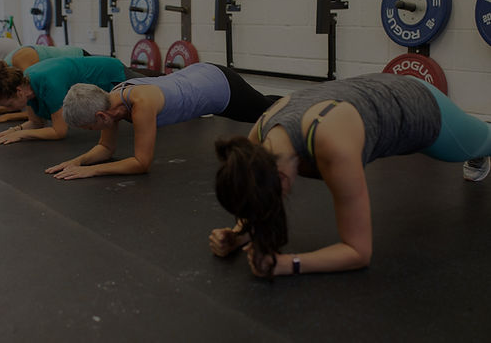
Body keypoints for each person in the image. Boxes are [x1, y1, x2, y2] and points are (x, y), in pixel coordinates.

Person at [208, 73, 491, 279]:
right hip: (376, 91)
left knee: (482, 140)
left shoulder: (332, 147)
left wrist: (287, 264)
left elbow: (358, 252)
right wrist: (239, 234)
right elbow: (254, 196)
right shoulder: (256, 141)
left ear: (282, 180)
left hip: (421, 106)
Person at [45, 62, 280, 180]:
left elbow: (141, 163)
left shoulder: (140, 103)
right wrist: (76, 162)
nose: (90, 131)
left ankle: (310, 103)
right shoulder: (109, 102)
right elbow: (106, 148)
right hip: (198, 77)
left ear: (100, 116)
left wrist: (91, 172)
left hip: (221, 87)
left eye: (89, 127)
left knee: (269, 112)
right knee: (267, 105)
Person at [0, 55, 144, 145]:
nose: (10, 109)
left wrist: (22, 135)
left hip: (111, 73)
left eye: (9, 104)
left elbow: (59, 131)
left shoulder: (48, 83)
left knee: (152, 100)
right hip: (98, 73)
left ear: (18, 92)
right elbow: (36, 123)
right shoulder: (26, 87)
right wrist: (14, 130)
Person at [0, 44, 89, 123]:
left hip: (82, 62)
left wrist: (8, 117)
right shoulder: (8, 72)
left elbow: (39, 110)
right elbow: (20, 103)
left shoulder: (22, 63)